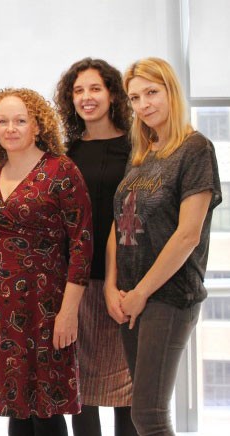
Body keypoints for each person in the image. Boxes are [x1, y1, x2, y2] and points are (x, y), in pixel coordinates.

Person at [106, 57, 222, 435]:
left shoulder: (195, 149)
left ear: (171, 91)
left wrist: (141, 292)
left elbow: (188, 235)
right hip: (130, 296)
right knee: (144, 411)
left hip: (168, 297)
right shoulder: (143, 154)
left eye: (152, 93)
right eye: (135, 97)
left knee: (149, 415)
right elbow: (118, 222)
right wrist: (112, 285)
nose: (144, 105)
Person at [0, 88, 93, 436]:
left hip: (47, 308)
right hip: (0, 309)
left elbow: (82, 246)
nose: (10, 128)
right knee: (16, 409)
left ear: (37, 126)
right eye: (2, 121)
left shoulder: (62, 170)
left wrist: (68, 312)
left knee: (46, 410)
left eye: (20, 121)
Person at [54, 58, 136, 436]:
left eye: (95, 89)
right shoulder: (65, 153)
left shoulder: (138, 148)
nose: (87, 98)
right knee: (80, 393)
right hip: (77, 284)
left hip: (125, 285)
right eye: (78, 90)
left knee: (129, 396)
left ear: (112, 94)